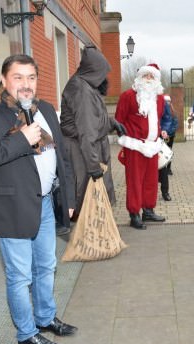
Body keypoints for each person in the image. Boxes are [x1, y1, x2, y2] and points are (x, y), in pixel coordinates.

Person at [0, 54, 77, 344]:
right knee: (20, 276)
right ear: (3, 80)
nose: (25, 85)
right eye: (18, 77)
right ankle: (26, 334)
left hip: (44, 204)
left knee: (47, 266)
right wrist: (22, 139)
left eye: (31, 77)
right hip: (11, 207)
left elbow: (61, 157)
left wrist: (68, 199)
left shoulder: (46, 111)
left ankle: (45, 317)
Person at [60, 46, 126, 217]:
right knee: (88, 202)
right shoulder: (82, 91)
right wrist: (94, 166)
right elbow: (87, 132)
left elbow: (92, 121)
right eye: (102, 73)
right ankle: (89, 240)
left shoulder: (85, 85)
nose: (104, 77)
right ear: (94, 71)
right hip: (82, 153)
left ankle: (94, 237)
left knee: (93, 203)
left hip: (85, 149)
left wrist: (111, 123)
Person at [115, 63, 172, 229]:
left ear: (156, 80)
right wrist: (126, 140)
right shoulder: (128, 96)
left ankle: (148, 209)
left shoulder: (160, 99)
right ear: (139, 78)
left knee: (151, 180)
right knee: (134, 181)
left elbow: (161, 119)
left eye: (152, 76)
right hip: (134, 146)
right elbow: (119, 120)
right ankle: (134, 213)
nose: (148, 79)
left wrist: (161, 132)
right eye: (145, 75)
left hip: (153, 146)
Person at [159, 95, 178, 201]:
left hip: (163, 138)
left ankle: (165, 192)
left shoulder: (166, 108)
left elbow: (169, 121)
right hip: (148, 140)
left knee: (163, 166)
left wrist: (166, 131)